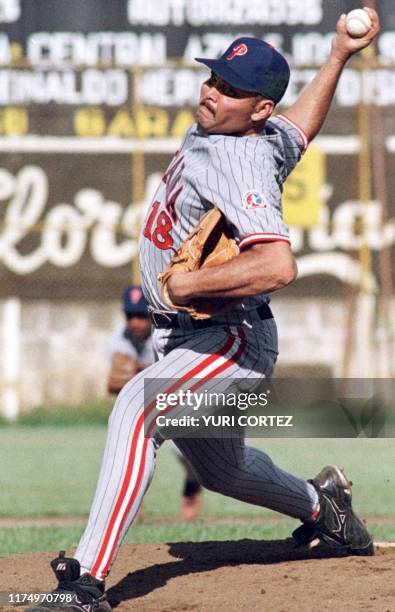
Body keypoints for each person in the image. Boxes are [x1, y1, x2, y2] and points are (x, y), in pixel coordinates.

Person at [28, 10, 379, 612]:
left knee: (137, 410)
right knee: (223, 471)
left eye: (230, 89)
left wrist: (193, 285)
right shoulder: (253, 133)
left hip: (227, 338)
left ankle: (84, 581)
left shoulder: (240, 159)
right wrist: (339, 56)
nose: (211, 92)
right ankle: (325, 507)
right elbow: (299, 128)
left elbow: (278, 266)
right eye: (213, 78)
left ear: (257, 110)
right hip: (192, 339)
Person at [107, 284, 203, 520]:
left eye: (141, 315)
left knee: (186, 454)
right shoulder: (119, 340)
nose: (135, 322)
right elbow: (116, 384)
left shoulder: (168, 333)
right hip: (143, 406)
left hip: (178, 400)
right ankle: (131, 504)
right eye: (130, 315)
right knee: (130, 451)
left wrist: (142, 371)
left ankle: (193, 482)